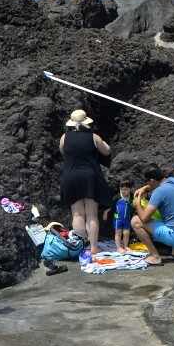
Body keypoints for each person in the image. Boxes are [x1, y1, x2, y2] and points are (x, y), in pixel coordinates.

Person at [60, 109, 114, 263]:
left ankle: (81, 246)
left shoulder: (64, 137)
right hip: (90, 176)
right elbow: (107, 151)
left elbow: (63, 152)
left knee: (77, 214)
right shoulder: (94, 137)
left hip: (71, 176)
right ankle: (94, 248)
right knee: (91, 214)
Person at [132, 165, 174, 266]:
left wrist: (137, 204)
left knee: (135, 221)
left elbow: (144, 218)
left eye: (146, 181)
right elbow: (155, 185)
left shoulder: (158, 192)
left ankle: (155, 257)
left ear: (152, 181)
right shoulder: (173, 181)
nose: (146, 184)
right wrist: (144, 188)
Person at [113, 180, 134, 253]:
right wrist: (106, 212)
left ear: (130, 189)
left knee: (126, 233)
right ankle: (119, 247)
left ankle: (125, 246)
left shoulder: (132, 197)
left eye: (125, 189)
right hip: (118, 219)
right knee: (118, 233)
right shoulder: (118, 197)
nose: (123, 191)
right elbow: (111, 205)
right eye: (121, 189)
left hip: (127, 219)